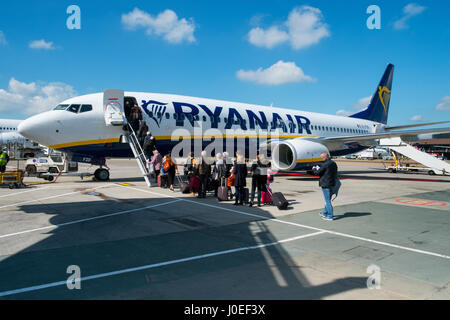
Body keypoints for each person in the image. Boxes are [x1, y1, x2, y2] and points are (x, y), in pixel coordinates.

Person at [312, 152, 338, 221]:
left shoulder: (325, 164)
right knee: (328, 200)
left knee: (327, 201)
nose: (322, 159)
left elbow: (317, 173)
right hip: (332, 183)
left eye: (322, 158)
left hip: (325, 184)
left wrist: (314, 168)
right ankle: (324, 212)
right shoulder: (333, 163)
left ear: (324, 157)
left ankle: (330, 216)